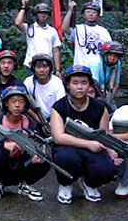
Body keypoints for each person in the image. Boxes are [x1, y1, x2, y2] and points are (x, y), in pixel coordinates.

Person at [50, 65, 127, 203]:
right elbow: (58, 137)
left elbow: (105, 135)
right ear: (67, 85)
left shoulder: (100, 107)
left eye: (84, 83)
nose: (79, 87)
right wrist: (88, 144)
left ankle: (89, 184)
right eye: (75, 83)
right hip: (67, 147)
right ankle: (66, 184)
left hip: (94, 148)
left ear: (90, 85)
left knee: (108, 169)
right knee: (65, 158)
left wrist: (111, 153)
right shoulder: (59, 107)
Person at [0, 85, 50, 201]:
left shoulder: (30, 123)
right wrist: (3, 145)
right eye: (13, 101)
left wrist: (35, 157)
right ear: (6, 103)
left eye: (21, 101)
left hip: (23, 163)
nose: (17, 105)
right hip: (2, 164)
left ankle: (25, 184)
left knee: (47, 159)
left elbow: (37, 143)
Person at [63, 0, 112, 85]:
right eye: (88, 12)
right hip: (80, 67)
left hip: (97, 68)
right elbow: (64, 28)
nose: (91, 14)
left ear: (98, 16)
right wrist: (70, 9)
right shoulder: (78, 28)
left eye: (94, 12)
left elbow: (109, 48)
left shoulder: (103, 31)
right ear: (83, 15)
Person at [15, 0, 62, 74]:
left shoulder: (52, 31)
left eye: (45, 13)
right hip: (31, 65)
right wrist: (23, 7)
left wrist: (57, 70)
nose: (43, 15)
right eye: (40, 13)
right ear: (36, 15)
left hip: (47, 65)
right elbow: (18, 23)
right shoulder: (29, 28)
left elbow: (55, 50)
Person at [23, 53, 65, 119]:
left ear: (50, 68)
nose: (42, 70)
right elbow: (23, 103)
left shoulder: (57, 82)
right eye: (38, 67)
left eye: (45, 67)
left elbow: (61, 105)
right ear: (33, 69)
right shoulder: (28, 82)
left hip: (55, 116)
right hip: (35, 117)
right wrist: (36, 117)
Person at [101, 41, 125, 110]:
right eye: (110, 55)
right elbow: (93, 84)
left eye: (116, 56)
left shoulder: (116, 64)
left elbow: (116, 85)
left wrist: (109, 101)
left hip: (106, 94)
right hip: (94, 93)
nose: (112, 58)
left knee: (114, 109)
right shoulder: (96, 63)